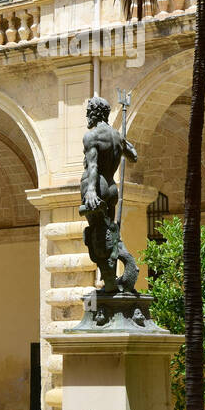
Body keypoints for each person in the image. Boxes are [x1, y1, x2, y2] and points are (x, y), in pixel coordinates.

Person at [79, 95, 140, 293]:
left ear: (95, 112)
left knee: (97, 235)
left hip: (97, 187)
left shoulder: (92, 136)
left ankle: (109, 281)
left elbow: (93, 166)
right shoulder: (116, 136)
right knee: (111, 232)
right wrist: (124, 143)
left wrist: (90, 192)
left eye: (89, 112)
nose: (87, 115)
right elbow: (133, 156)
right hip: (112, 188)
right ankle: (115, 274)